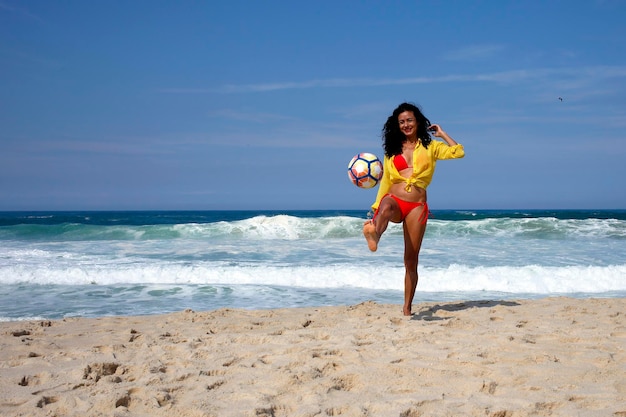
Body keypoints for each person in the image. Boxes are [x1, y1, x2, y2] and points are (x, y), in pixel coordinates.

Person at [363, 102, 465, 316]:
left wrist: (442, 134)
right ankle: (374, 234)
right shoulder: (391, 151)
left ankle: (407, 308)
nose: (406, 125)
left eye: (409, 120)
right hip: (395, 198)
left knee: (411, 259)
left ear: (418, 121)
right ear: (396, 125)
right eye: (401, 122)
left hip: (417, 205)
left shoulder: (431, 147)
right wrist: (375, 207)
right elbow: (386, 182)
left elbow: (458, 152)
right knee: (387, 205)